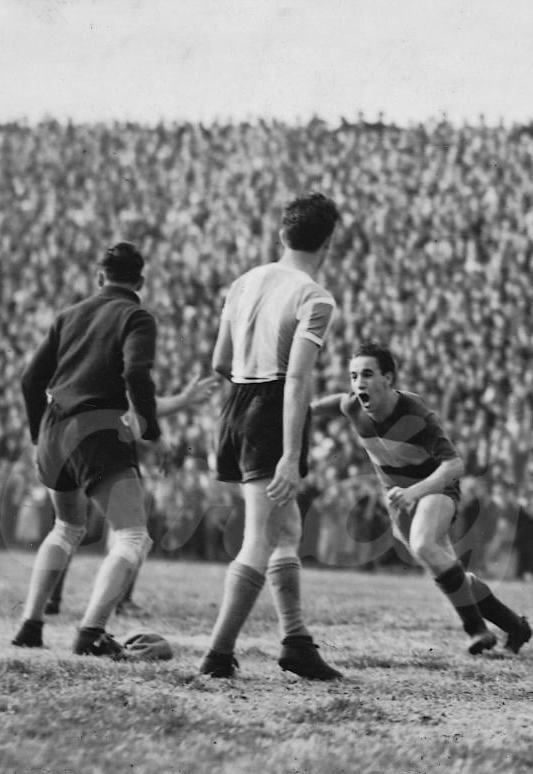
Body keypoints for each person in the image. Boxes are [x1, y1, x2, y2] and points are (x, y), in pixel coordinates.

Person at [198, 192, 343, 680]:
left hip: (237, 401)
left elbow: (219, 361)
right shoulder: (314, 296)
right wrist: (289, 454)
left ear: (282, 234)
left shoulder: (244, 282)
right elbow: (298, 379)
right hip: (272, 407)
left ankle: (296, 640)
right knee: (261, 535)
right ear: (327, 243)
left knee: (288, 530)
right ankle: (218, 653)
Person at [11, 242, 179, 659]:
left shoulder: (68, 316)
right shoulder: (136, 316)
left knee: (66, 527)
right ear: (139, 282)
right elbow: (136, 371)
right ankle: (91, 633)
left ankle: (30, 626)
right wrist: (153, 433)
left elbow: (31, 381)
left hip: (53, 429)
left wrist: (38, 436)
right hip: (99, 427)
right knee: (132, 536)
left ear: (99, 277)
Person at [313, 342, 532, 656]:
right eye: (353, 376)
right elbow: (337, 402)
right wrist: (302, 410)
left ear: (389, 379)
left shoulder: (415, 414)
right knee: (444, 568)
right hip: (400, 500)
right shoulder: (353, 407)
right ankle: (515, 625)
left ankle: (476, 631)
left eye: (368, 374)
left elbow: (455, 465)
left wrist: (414, 492)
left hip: (433, 489)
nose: (359, 383)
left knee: (423, 545)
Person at [40, 374, 220, 618]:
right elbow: (139, 406)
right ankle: (112, 606)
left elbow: (139, 405)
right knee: (130, 532)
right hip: (103, 447)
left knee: (68, 527)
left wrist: (183, 399)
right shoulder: (115, 356)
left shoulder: (77, 358)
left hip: (63, 437)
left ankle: (49, 601)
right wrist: (159, 431)